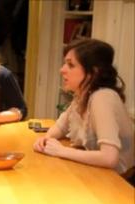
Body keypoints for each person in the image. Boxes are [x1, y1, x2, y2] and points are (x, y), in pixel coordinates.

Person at [33, 39, 134, 180]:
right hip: (100, 173)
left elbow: (109, 158)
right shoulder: (83, 94)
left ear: (93, 72)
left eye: (70, 65)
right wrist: (46, 139)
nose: (62, 70)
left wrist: (61, 151)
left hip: (120, 181)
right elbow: (61, 127)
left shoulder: (102, 97)